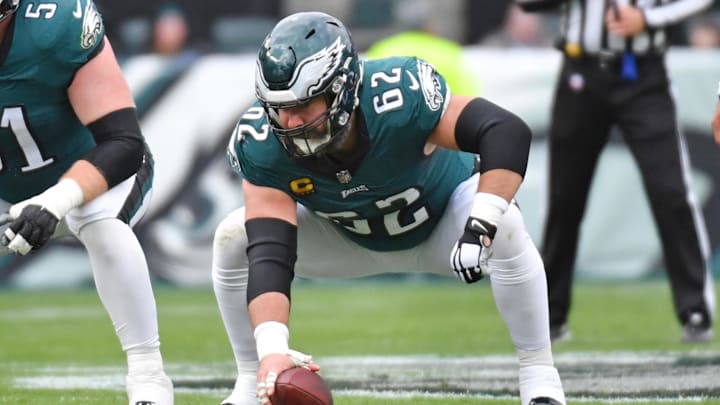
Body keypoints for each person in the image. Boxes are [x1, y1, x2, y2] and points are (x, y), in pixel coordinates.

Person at [213, 11, 566, 405]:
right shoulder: (262, 141)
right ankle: (249, 382)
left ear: (342, 89)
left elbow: (505, 130)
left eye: (305, 105)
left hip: (441, 223)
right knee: (234, 235)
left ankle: (540, 376)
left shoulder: (396, 96)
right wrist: (273, 348)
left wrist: (479, 224)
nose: (290, 122)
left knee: (508, 225)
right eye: (280, 108)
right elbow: (270, 252)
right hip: (348, 239)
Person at [0, 0, 173, 403]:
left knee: (103, 227)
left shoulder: (56, 26)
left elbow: (122, 142)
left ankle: (148, 377)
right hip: (8, 187)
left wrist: (56, 201)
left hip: (92, 175)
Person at [517, 0, 717, 343]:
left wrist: (649, 17)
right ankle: (549, 314)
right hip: (581, 70)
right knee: (564, 197)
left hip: (644, 74)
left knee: (671, 191)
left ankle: (694, 309)